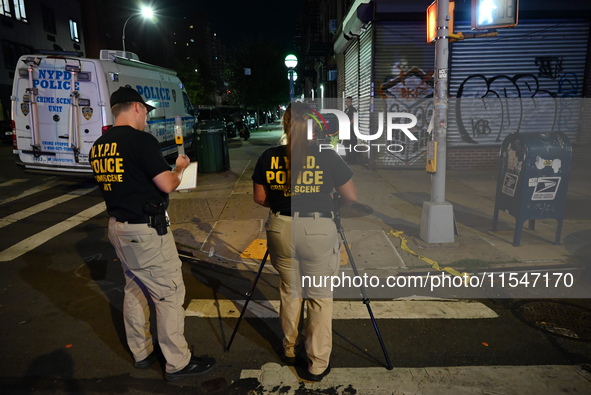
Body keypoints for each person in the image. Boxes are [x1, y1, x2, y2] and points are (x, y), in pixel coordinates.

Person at [89, 86, 215, 382]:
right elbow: (168, 183)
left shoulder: (99, 145)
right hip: (145, 231)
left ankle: (142, 352)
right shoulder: (141, 141)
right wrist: (180, 168)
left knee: (135, 288)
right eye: (145, 109)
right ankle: (177, 362)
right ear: (134, 107)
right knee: (169, 293)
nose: (146, 114)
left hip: (118, 227)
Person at [251, 102, 357, 382]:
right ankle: (317, 363)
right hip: (318, 228)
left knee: (289, 290)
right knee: (319, 299)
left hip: (281, 227)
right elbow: (351, 197)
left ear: (285, 125)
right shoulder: (327, 155)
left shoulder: (269, 156)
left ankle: (289, 348)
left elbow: (260, 198)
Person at [344, 96, 358, 164]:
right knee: (346, 144)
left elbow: (354, 118)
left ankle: (353, 160)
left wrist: (348, 125)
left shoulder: (353, 110)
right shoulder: (346, 110)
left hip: (352, 131)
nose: (347, 103)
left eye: (348, 101)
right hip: (346, 131)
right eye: (346, 101)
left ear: (351, 102)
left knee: (352, 145)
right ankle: (348, 158)